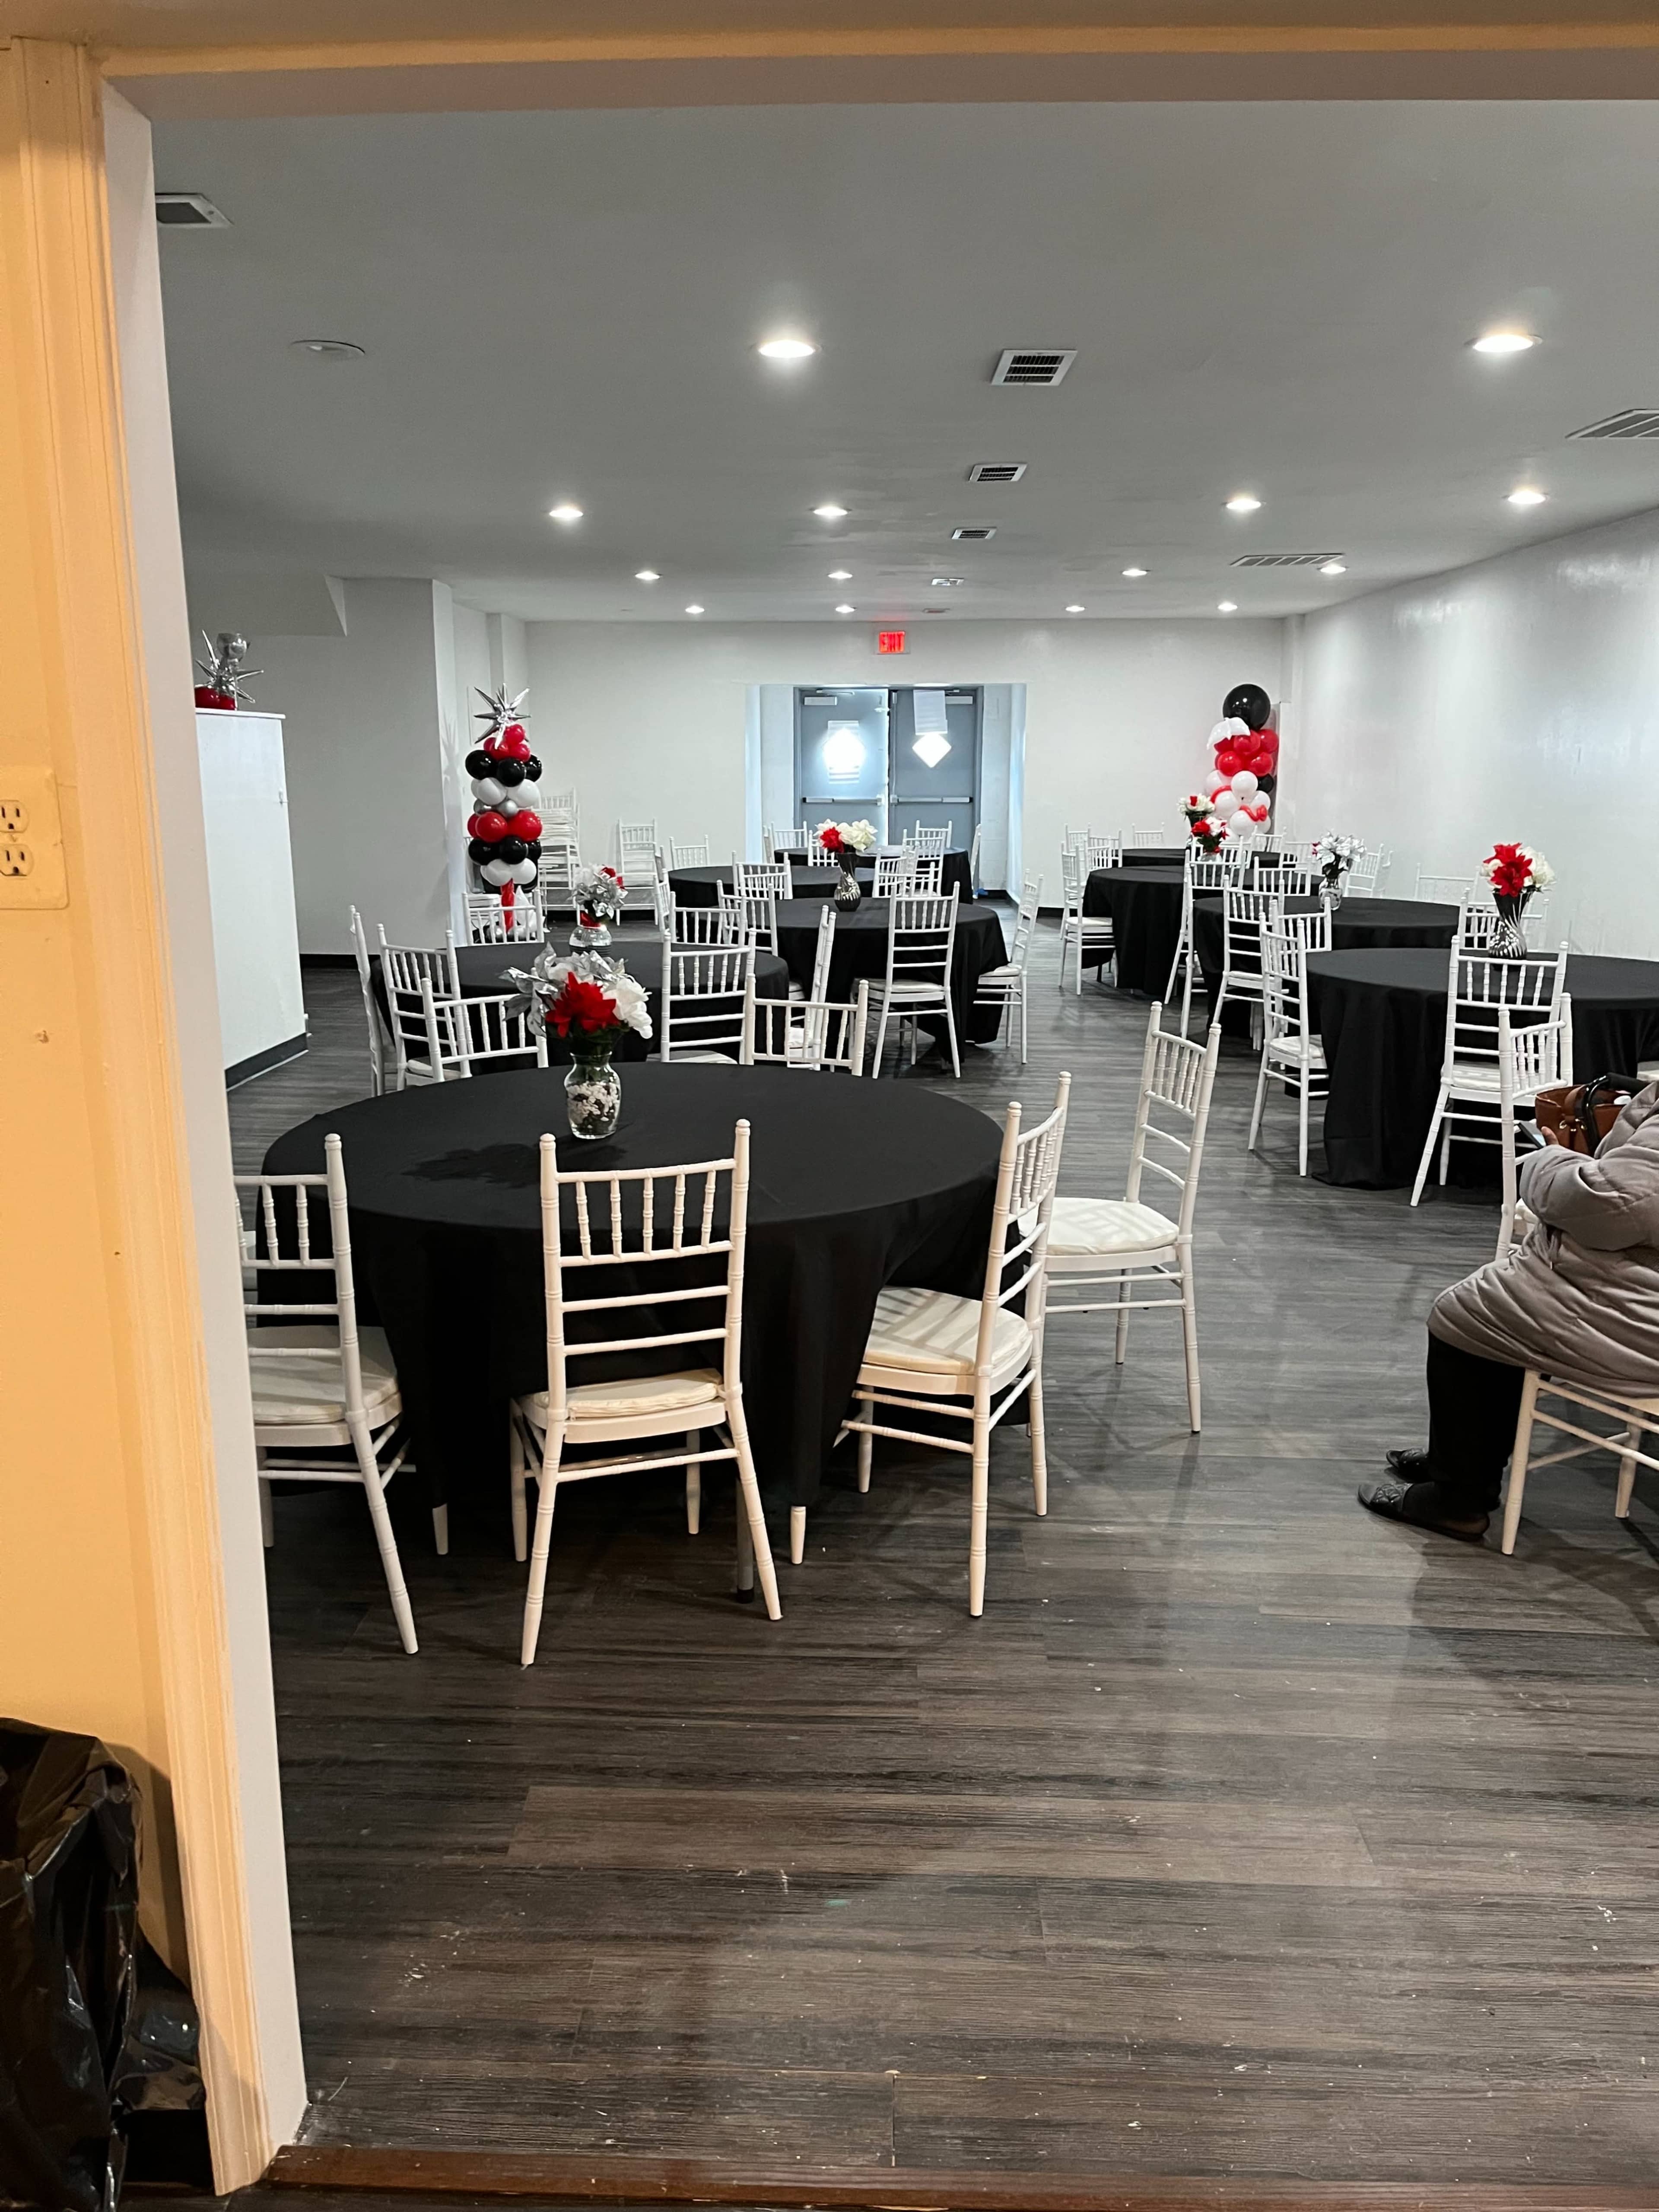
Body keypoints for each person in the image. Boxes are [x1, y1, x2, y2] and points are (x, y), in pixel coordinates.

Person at [1360, 1080, 1659, 1541]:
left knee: (1461, 1315)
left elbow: (1613, 1204)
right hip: (1638, 1297)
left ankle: (1458, 1497)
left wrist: (1547, 1161)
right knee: (1510, 1298)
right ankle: (1462, 1459)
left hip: (1639, 1321)